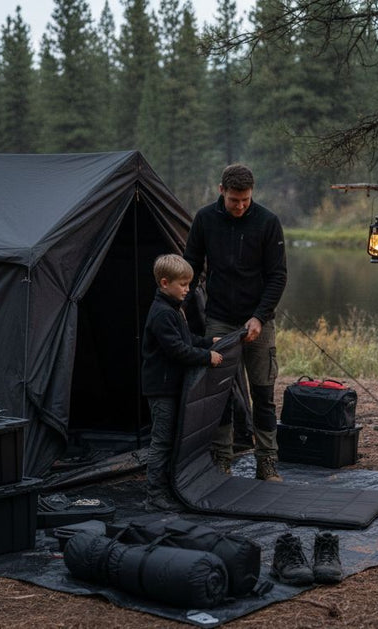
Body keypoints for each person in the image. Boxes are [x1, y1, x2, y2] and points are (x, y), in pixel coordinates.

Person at [184, 164, 288, 482]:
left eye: (245, 200)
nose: (240, 206)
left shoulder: (268, 221)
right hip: (218, 319)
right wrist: (179, 301)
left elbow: (278, 276)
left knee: (264, 393)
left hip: (259, 320)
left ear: (252, 193)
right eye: (233, 200)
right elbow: (190, 264)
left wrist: (259, 316)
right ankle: (222, 459)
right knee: (221, 392)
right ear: (221, 191)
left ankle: (267, 462)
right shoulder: (204, 219)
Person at [141, 254, 223, 510]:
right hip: (161, 389)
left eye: (189, 285)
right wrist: (206, 357)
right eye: (183, 285)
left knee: (172, 439)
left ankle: (169, 488)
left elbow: (187, 340)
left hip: (174, 387)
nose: (188, 290)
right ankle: (154, 496)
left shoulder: (174, 310)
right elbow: (177, 350)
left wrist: (209, 342)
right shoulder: (162, 314)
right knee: (162, 441)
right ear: (165, 283)